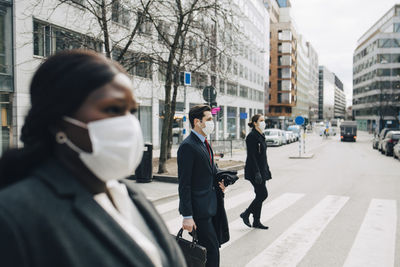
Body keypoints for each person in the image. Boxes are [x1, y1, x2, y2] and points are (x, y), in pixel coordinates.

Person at [0, 50, 186, 267]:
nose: (128, 124)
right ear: (59, 121)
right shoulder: (14, 216)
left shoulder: (128, 193)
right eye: (113, 108)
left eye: (132, 111)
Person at [178, 105, 228, 267]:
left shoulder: (204, 143)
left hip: (210, 206)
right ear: (197, 122)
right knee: (212, 250)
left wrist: (222, 181)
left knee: (209, 250)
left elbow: (210, 171)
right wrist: (187, 216)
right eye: (209, 119)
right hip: (198, 211)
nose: (212, 123)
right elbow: (184, 184)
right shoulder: (188, 146)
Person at [240, 114, 272, 229]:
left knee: (259, 195)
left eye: (264, 120)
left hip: (262, 170)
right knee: (263, 194)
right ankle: (246, 214)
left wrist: (267, 170)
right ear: (255, 123)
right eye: (261, 120)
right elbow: (252, 156)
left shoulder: (261, 135)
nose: (264, 122)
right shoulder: (251, 136)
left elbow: (263, 156)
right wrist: (257, 172)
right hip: (254, 171)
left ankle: (256, 221)